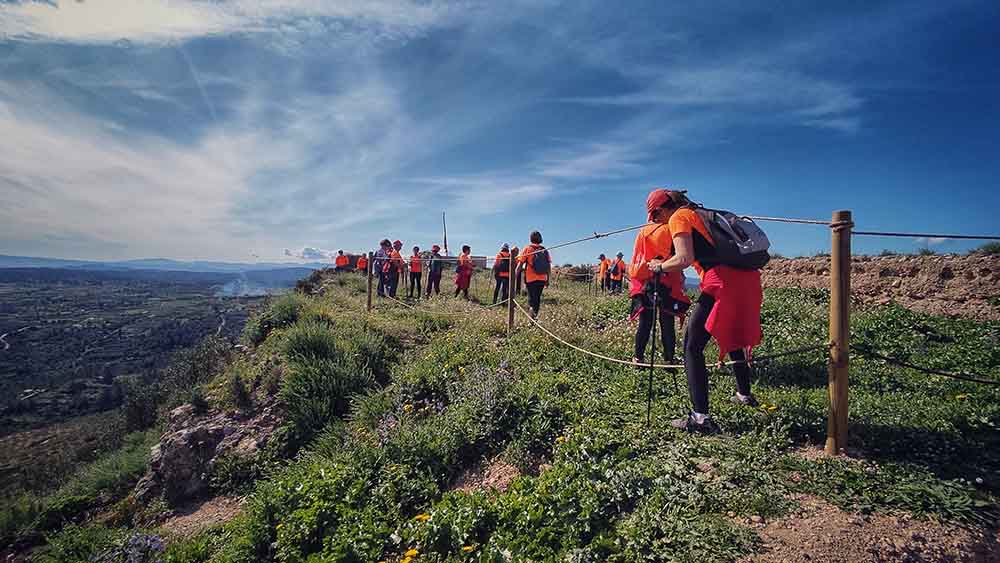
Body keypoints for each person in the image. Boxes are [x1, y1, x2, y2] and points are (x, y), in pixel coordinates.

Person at [649, 188, 763, 434]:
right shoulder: (703, 214)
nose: (653, 220)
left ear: (664, 207)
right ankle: (744, 395)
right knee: (733, 335)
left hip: (721, 281)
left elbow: (683, 259)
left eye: (654, 213)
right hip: (749, 281)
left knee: (692, 344)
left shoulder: (679, 217)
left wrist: (659, 267)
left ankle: (700, 418)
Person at [628, 204, 690, 367]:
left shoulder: (643, 231)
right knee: (667, 322)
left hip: (646, 282)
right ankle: (669, 360)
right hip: (667, 281)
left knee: (645, 322)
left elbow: (637, 258)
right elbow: (680, 258)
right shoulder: (672, 228)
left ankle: (638, 358)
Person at [516, 231, 550, 318]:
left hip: (531, 278)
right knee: (537, 299)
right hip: (542, 278)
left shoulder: (528, 249)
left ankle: (531, 319)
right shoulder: (544, 250)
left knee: (531, 299)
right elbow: (548, 267)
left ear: (531, 238)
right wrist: (547, 280)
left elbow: (520, 264)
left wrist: (514, 276)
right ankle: (535, 317)